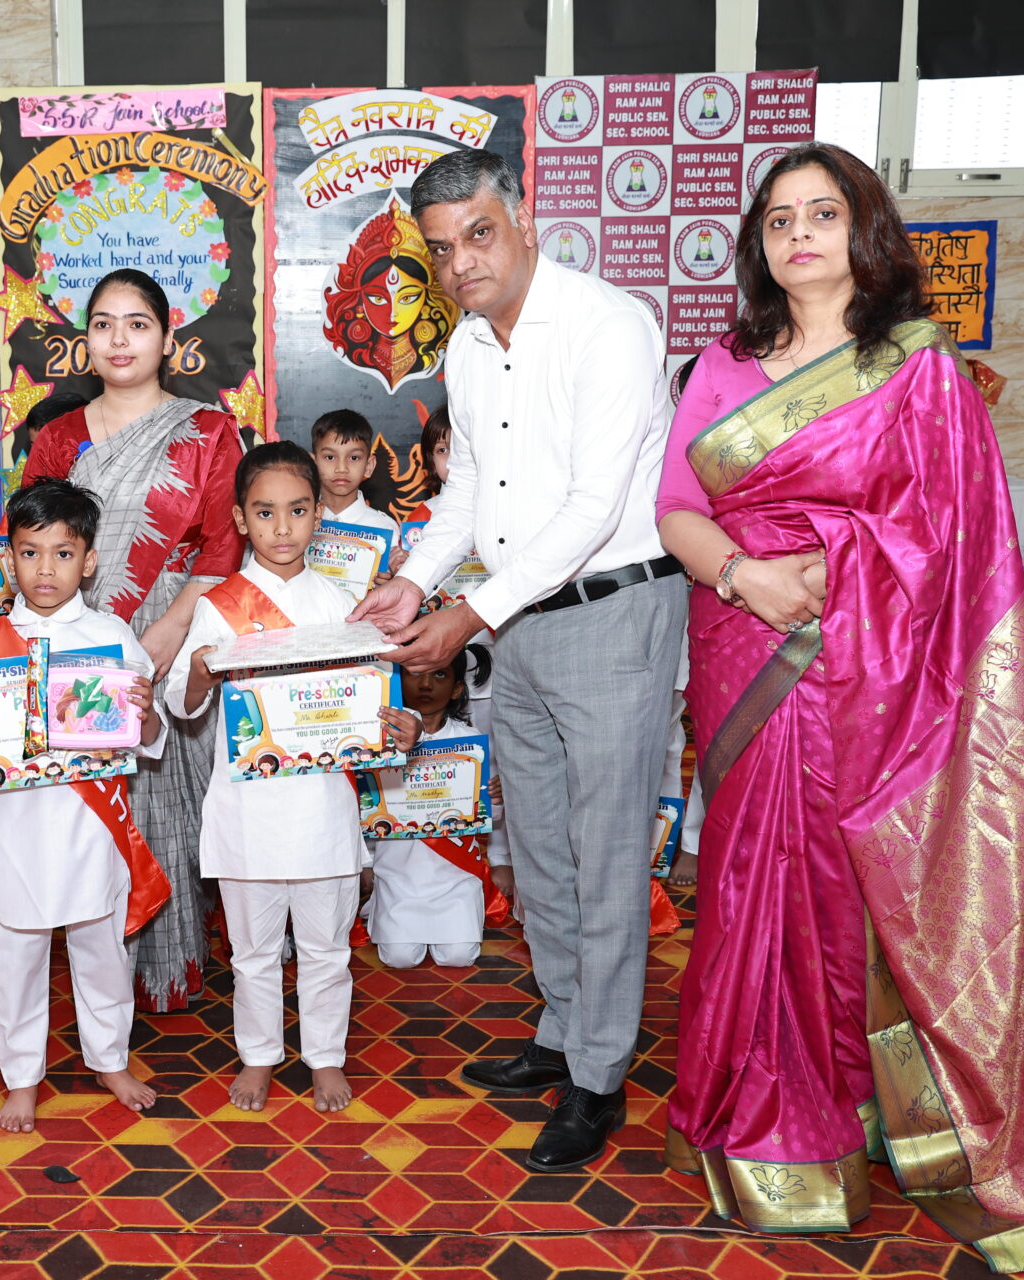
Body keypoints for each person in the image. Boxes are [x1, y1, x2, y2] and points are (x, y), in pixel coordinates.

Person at [654, 142, 1024, 1267]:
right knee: (756, 875)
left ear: (864, 230)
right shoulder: (722, 366)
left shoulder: (918, 370)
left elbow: (956, 542)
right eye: (778, 218)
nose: (799, 233)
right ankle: (778, 1121)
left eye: (823, 212)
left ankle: (891, 1106)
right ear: (758, 244)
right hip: (745, 646)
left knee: (863, 876)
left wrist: (839, 574)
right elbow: (676, 508)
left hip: (878, 671)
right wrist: (746, 576)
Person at [352, 147, 685, 1174]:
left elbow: (592, 508)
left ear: (526, 218)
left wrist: (466, 615)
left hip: (612, 612)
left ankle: (600, 1075)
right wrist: (415, 581)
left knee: (606, 852)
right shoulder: (467, 345)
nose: (462, 263)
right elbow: (469, 493)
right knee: (537, 844)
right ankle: (565, 1026)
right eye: (442, 248)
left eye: (479, 234)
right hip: (519, 620)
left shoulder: (607, 324)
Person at [166, 443, 420, 1113]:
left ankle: (325, 1056)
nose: (282, 528)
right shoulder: (219, 606)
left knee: (325, 947)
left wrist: (402, 726)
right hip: (247, 809)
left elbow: (372, 698)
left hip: (322, 808)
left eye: (298, 511)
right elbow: (180, 706)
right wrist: (200, 672)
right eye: (265, 512)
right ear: (240, 519)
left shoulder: (341, 605)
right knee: (251, 951)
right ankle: (258, 1054)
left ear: (318, 517)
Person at [21, 268, 246, 1012]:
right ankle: (99, 978)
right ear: (85, 341)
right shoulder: (58, 438)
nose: (119, 340)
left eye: (138, 324)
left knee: (166, 799)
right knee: (87, 804)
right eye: (103, 324)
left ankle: (167, 969)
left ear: (168, 339)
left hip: (176, 630)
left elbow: (222, 549)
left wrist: (160, 639)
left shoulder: (208, 431)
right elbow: (27, 543)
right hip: (74, 635)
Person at [0, 480, 168, 1133]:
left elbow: (148, 736)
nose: (45, 569)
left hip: (92, 829)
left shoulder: (111, 636)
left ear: (88, 561)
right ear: (8, 558)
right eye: (30, 553)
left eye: (62, 554)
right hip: (18, 836)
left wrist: (146, 715)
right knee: (16, 961)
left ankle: (110, 1059)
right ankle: (22, 1078)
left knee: (102, 954)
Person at [362, 647, 512, 968]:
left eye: (439, 675)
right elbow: (369, 807)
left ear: (457, 689)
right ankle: (380, 906)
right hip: (398, 874)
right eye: (415, 674)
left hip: (454, 877)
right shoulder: (379, 741)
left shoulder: (470, 741)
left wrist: (496, 800)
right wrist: (366, 861)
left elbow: (484, 816)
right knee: (400, 959)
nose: (426, 684)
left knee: (458, 957)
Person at [310, 409, 401, 542]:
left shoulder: (385, 529)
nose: (342, 469)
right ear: (313, 464)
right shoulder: (299, 523)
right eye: (330, 457)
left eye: (354, 458)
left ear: (369, 466)